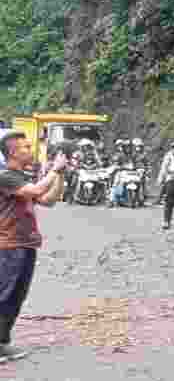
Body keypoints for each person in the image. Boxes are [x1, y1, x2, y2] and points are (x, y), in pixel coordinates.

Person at [0, 130, 67, 363]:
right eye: (25, 147)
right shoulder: (6, 176)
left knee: (17, 296)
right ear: (12, 152)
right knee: (4, 295)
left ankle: (2, 343)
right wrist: (54, 170)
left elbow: (48, 200)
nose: (30, 149)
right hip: (9, 245)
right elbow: (38, 191)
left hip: (26, 243)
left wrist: (61, 176)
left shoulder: (22, 177)